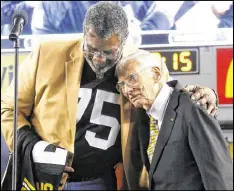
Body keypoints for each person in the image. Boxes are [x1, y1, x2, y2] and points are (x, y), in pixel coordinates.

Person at [1, 2, 218, 190]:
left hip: (100, 180)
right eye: (92, 49)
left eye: (108, 53)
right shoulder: (47, 54)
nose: (99, 59)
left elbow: (172, 105)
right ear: (85, 35)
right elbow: (9, 109)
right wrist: (34, 147)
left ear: (123, 43)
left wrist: (206, 94)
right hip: (43, 178)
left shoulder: (142, 64)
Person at [116, 50, 233, 190]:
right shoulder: (143, 116)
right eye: (121, 85)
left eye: (132, 78)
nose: (127, 90)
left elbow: (219, 175)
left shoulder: (193, 107)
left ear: (156, 74)